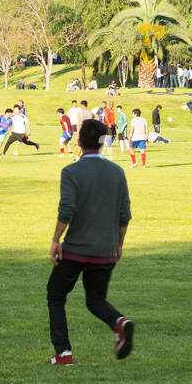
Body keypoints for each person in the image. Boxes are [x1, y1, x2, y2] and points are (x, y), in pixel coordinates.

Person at [47, 119, 134, 366]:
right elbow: (124, 213)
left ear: (79, 140)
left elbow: (67, 208)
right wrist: (119, 244)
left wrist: (56, 239)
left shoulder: (71, 172)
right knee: (95, 300)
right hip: (105, 250)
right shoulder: (117, 172)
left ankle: (63, 353)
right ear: (103, 141)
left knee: (55, 295)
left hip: (75, 249)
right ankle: (119, 322)